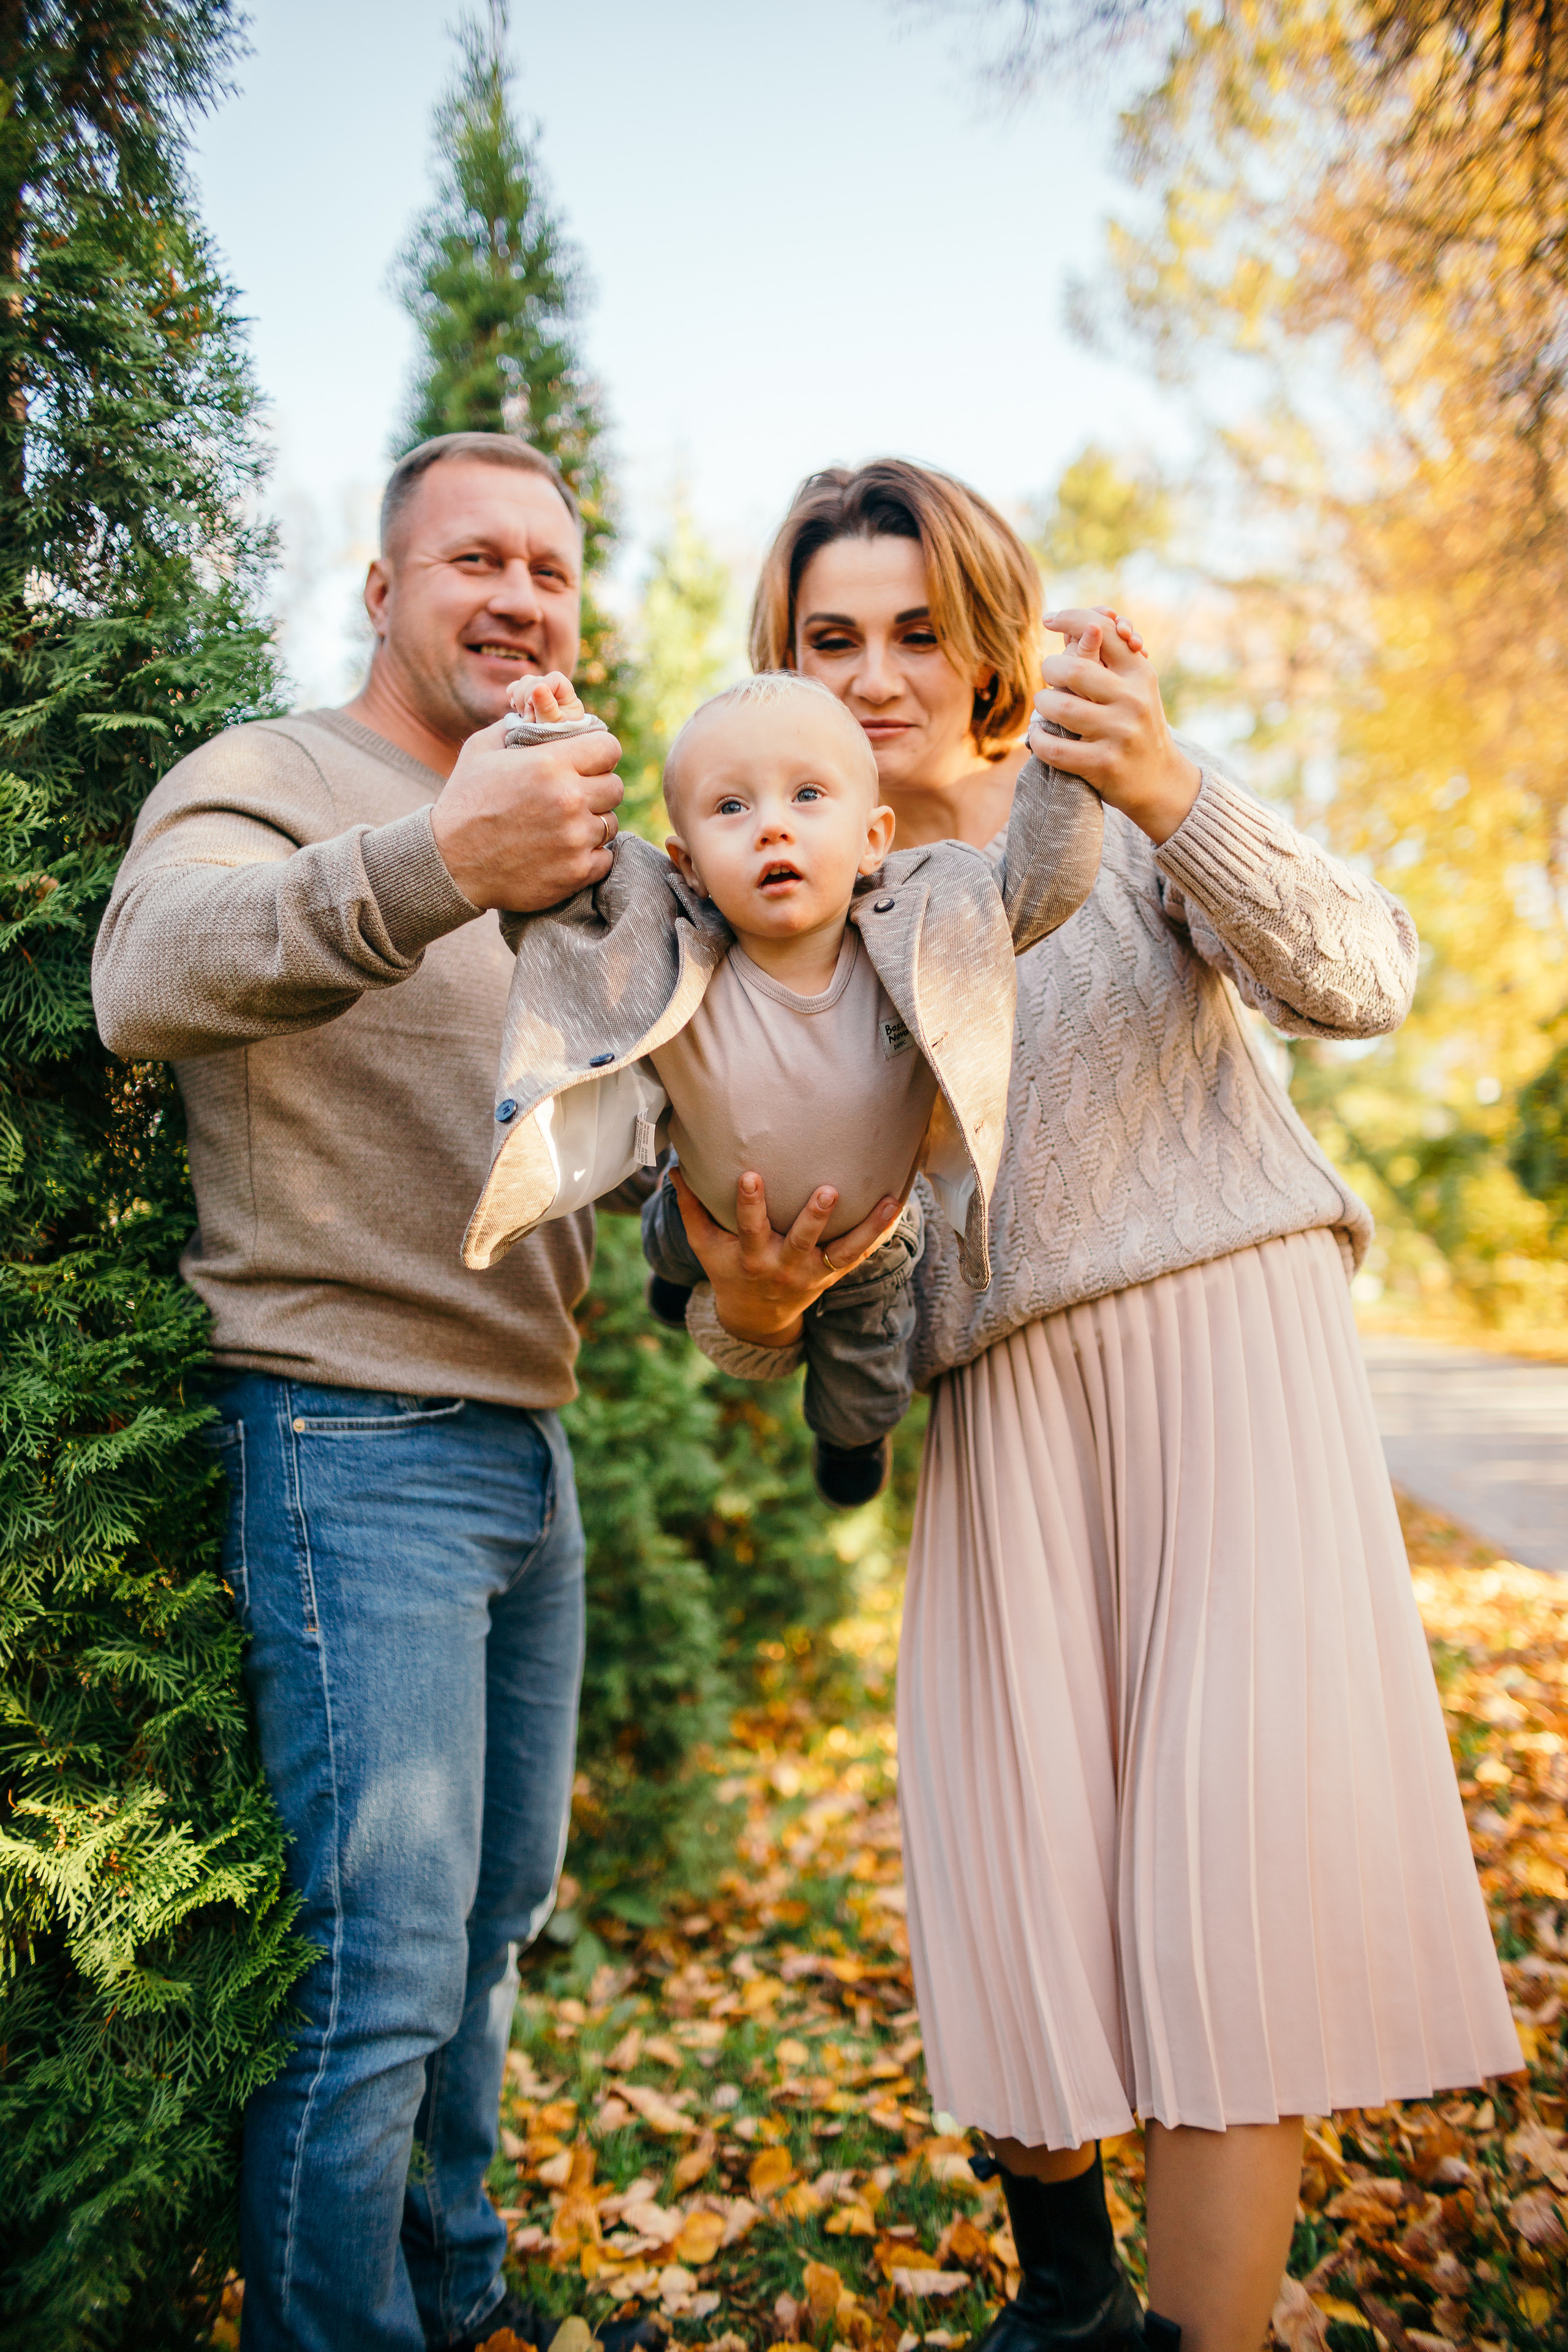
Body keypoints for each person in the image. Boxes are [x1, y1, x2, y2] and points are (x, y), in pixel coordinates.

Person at [665, 459, 1522, 2352]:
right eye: (831, 639)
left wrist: (1173, 790)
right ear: (782, 657)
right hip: (996, 1425)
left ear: (988, 628)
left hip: (1232, 1365)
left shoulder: (1106, 800)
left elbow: (1368, 975)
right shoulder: (766, 895)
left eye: (913, 628)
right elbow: (740, 1327)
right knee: (1020, 1881)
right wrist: (747, 1305)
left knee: (1229, 1885)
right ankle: (1071, 2305)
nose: (878, 675)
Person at [91, 432, 635, 2352]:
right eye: (472, 558)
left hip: (527, 1443)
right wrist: (434, 864)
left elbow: (623, 1119)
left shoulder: (575, 845)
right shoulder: (272, 776)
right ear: (382, 588)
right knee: (379, 1978)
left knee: (490, 1939)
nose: (520, 598)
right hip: (347, 1437)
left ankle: (458, 2296)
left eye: (554, 571)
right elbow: (143, 975)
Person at [460, 663, 1101, 1506]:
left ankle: (851, 1442)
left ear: (875, 838)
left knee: (867, 1372)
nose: (771, 829)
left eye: (807, 796)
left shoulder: (919, 940)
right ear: (686, 864)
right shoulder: (674, 957)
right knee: (673, 1229)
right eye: (732, 807)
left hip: (868, 1240)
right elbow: (561, 901)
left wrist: (1071, 739)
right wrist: (557, 738)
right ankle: (675, 1264)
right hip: (709, 1204)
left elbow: (1040, 883)